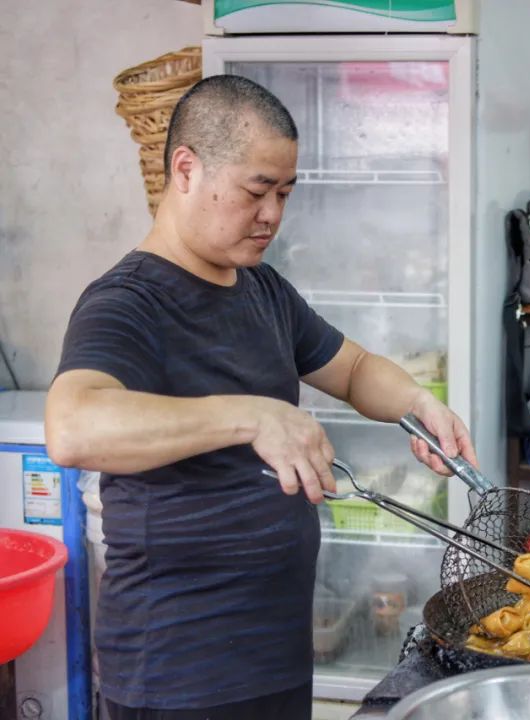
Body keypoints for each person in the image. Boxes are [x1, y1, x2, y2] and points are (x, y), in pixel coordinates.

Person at [45, 74, 477, 720]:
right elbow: (73, 426)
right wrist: (249, 415)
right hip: (178, 675)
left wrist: (419, 401)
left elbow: (354, 368)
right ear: (186, 169)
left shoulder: (261, 289)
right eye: (256, 191)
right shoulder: (128, 303)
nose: (273, 213)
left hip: (272, 658)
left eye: (284, 192)